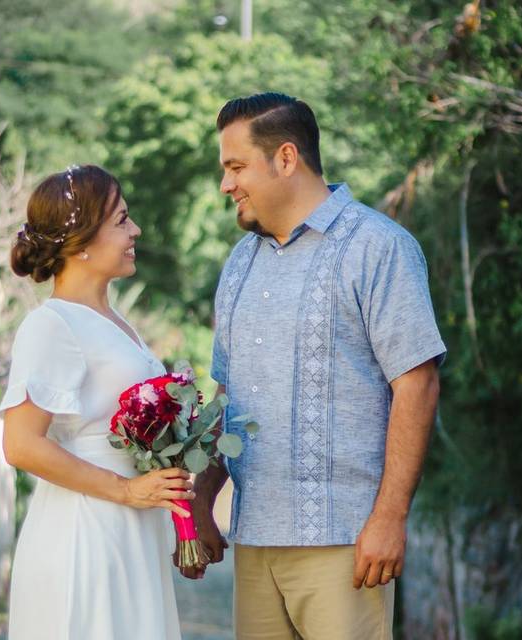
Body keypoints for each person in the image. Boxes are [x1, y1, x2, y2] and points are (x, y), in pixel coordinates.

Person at [181, 93, 446, 640]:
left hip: (344, 543)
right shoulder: (238, 263)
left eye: (236, 167)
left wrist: (390, 518)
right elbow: (225, 395)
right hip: (255, 542)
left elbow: (416, 384)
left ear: (285, 158)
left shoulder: (378, 247)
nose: (226, 185)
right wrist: (204, 499)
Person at [0, 164, 188, 639]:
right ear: (82, 241)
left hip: (132, 530)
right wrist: (125, 491)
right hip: (86, 530)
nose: (136, 231)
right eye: (122, 220)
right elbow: (21, 445)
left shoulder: (113, 319)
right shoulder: (53, 325)